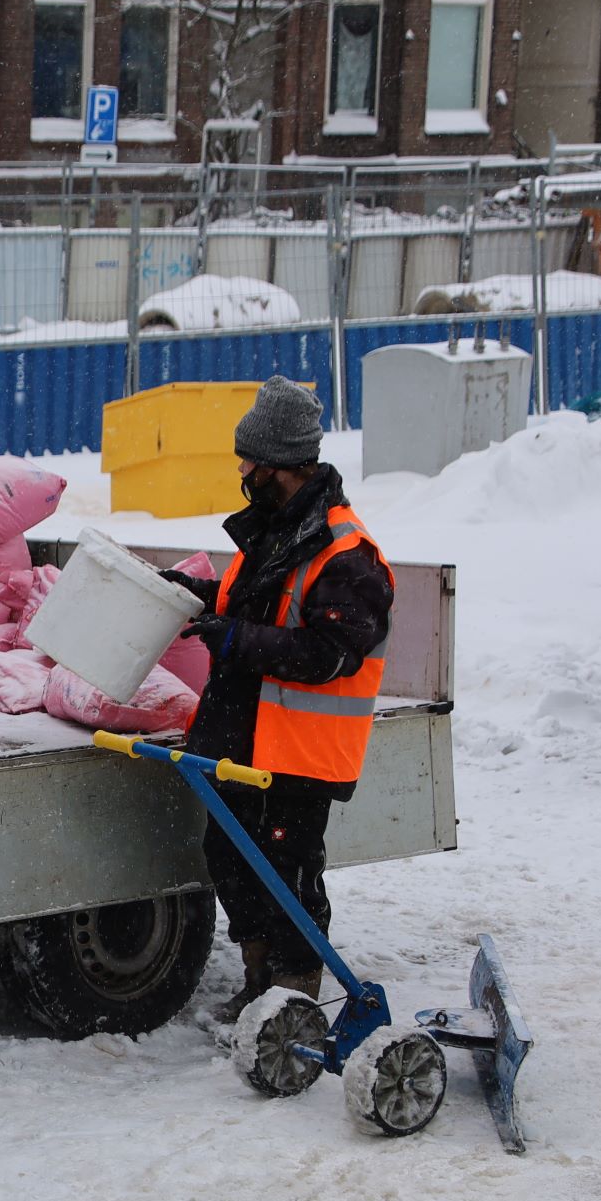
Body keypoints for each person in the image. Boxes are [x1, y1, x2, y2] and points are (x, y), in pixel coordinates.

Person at [163, 377, 396, 1025]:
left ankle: (293, 995)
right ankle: (259, 979)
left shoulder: (347, 554)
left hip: (297, 753)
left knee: (287, 876)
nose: (242, 473)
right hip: (241, 740)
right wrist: (185, 594)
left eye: (250, 463)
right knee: (230, 859)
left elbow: (330, 653)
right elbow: (247, 605)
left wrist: (236, 639)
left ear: (280, 465)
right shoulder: (273, 531)